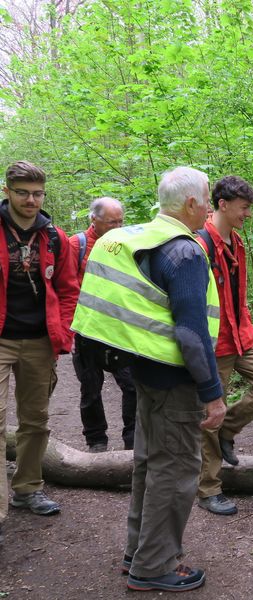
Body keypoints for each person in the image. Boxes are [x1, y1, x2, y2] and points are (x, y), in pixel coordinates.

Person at [71, 166, 225, 592]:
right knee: (175, 471)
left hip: (144, 372)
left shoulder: (137, 239)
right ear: (192, 204)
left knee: (149, 463)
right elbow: (192, 335)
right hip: (175, 381)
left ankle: (137, 552)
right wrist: (213, 394)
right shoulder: (185, 252)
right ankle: (155, 565)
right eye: (207, 198)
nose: (210, 206)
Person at [195, 176, 253, 516]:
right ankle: (209, 488)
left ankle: (229, 430)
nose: (248, 214)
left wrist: (245, 325)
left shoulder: (238, 243)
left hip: (241, 334)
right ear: (222, 204)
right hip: (213, 342)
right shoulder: (199, 244)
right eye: (244, 208)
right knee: (209, 415)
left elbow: (237, 295)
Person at [0, 161, 79, 531]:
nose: (30, 200)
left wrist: (62, 331)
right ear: (7, 191)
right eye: (22, 193)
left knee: (35, 421)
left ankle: (27, 488)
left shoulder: (53, 237)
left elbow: (68, 289)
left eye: (37, 193)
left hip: (38, 341)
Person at [70, 197, 137, 452]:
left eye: (121, 221)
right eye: (112, 222)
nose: (118, 226)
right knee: (91, 389)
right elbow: (67, 285)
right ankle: (96, 441)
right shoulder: (77, 245)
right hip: (87, 331)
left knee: (132, 386)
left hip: (120, 330)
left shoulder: (127, 244)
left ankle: (132, 442)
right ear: (93, 220)